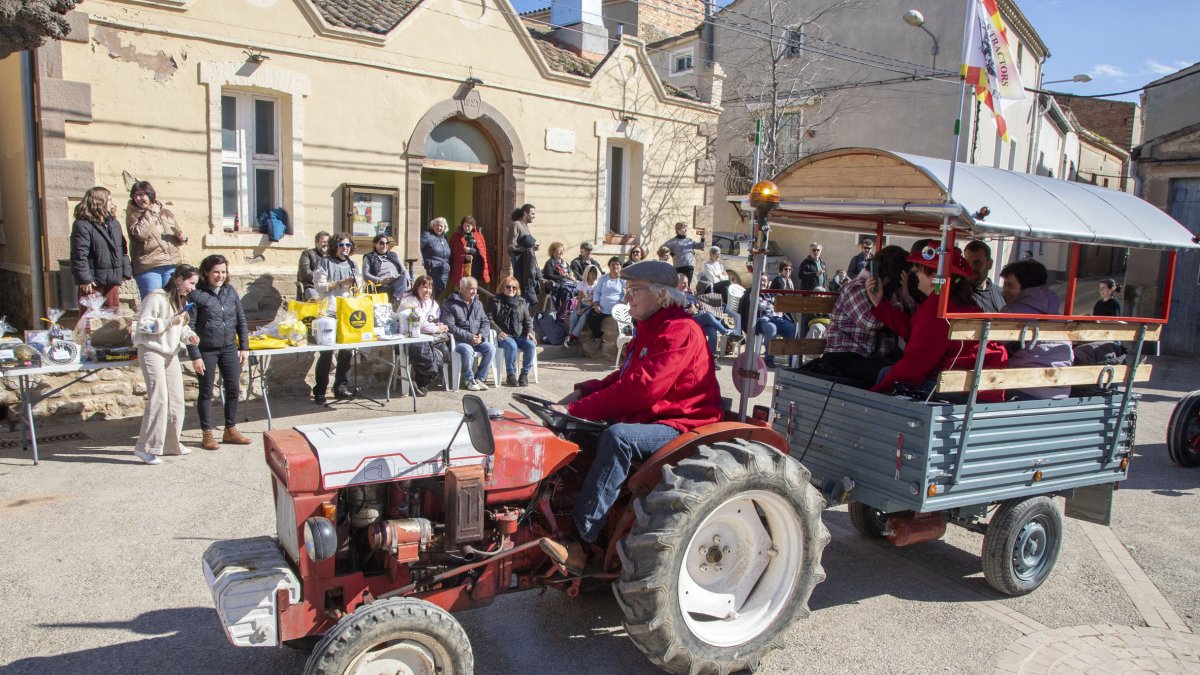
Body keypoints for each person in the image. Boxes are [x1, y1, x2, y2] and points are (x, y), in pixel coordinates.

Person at [540, 260, 722, 570]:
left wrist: (575, 409)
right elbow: (623, 378)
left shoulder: (679, 330)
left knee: (618, 438)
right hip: (653, 416)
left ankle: (581, 543)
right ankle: (550, 514)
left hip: (682, 423)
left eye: (634, 290)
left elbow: (642, 390)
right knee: (578, 430)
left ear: (661, 295)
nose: (627, 298)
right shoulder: (651, 328)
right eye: (627, 290)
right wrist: (583, 392)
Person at [866, 247, 1006, 402]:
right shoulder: (962, 301)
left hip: (958, 391)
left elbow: (914, 364)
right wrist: (880, 304)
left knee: (887, 374)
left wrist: (873, 396)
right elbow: (917, 330)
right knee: (888, 371)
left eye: (918, 271)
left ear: (933, 277)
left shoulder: (940, 308)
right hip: (981, 387)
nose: (915, 275)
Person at [131, 263, 200, 464]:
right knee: (159, 398)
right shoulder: (155, 297)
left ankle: (171, 443)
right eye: (191, 283)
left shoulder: (180, 300)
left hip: (170, 353)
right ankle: (145, 447)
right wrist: (169, 322)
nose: (193, 288)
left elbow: (181, 327)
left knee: (177, 399)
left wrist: (190, 336)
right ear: (178, 279)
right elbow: (144, 325)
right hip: (151, 350)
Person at [187, 254, 251, 450]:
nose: (220, 276)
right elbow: (188, 327)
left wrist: (244, 347)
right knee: (206, 391)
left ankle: (230, 429)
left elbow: (241, 320)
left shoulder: (230, 291)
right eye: (216, 272)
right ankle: (207, 433)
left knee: (233, 389)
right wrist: (195, 355)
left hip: (229, 347)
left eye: (223, 272)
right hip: (206, 349)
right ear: (206, 273)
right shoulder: (195, 294)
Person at [820, 246, 908, 386]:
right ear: (890, 274)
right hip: (845, 355)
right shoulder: (856, 288)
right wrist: (890, 305)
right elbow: (869, 322)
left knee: (907, 371)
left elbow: (905, 324)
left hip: (872, 355)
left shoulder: (887, 292)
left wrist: (906, 297)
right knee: (888, 373)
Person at [999, 259, 1073, 400]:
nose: (1004, 291)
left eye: (1010, 286)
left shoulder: (1011, 312)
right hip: (1062, 389)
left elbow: (993, 346)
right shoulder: (1056, 313)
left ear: (1027, 288)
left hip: (1026, 388)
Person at [312, 233, 360, 404]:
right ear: (334, 246)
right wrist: (339, 283)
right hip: (329, 311)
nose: (344, 248)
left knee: (346, 352)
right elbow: (319, 286)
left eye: (347, 245)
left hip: (347, 312)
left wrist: (355, 284)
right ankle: (320, 390)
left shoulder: (353, 264)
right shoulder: (325, 262)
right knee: (326, 353)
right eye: (341, 245)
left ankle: (341, 387)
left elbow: (359, 285)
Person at [71, 186, 132, 309]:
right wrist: (85, 279)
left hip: (113, 279)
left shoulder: (114, 223)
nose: (112, 203)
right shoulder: (82, 224)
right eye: (109, 200)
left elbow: (122, 248)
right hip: (93, 280)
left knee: (112, 317)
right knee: (89, 318)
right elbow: (79, 254)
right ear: (99, 202)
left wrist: (125, 272)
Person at [126, 181, 186, 298]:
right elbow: (140, 234)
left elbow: (176, 234)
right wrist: (151, 213)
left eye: (141, 194)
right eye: (135, 196)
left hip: (171, 264)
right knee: (153, 303)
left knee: (171, 303)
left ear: (150, 194)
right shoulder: (133, 215)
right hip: (149, 266)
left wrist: (181, 238)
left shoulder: (165, 212)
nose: (138, 198)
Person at [398, 275, 451, 396]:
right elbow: (418, 324)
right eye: (424, 287)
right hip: (411, 339)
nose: (427, 290)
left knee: (444, 351)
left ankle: (422, 382)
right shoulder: (409, 300)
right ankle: (422, 384)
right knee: (425, 353)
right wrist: (437, 328)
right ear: (417, 287)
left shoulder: (433, 304)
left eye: (430, 287)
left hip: (431, 339)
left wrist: (441, 326)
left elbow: (434, 321)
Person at [441, 276, 494, 391]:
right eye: (471, 288)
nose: (474, 291)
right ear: (462, 289)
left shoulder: (478, 304)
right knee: (467, 350)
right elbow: (450, 327)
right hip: (458, 341)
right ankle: (469, 379)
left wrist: (482, 335)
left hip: (476, 339)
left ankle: (480, 378)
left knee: (490, 348)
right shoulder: (450, 304)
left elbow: (485, 321)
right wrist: (470, 337)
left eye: (475, 288)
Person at [738, 273, 797, 366]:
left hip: (774, 318)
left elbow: (778, 304)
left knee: (791, 327)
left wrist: (776, 303)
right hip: (759, 320)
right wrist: (769, 304)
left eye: (765, 280)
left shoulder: (770, 293)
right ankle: (769, 359)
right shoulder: (751, 293)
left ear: (768, 282)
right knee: (771, 327)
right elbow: (756, 306)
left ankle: (792, 360)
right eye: (761, 280)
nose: (763, 283)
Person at [677, 273, 732, 368]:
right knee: (708, 316)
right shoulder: (675, 296)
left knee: (711, 330)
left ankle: (712, 360)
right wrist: (687, 311)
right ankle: (726, 333)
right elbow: (675, 313)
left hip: (696, 318)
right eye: (683, 283)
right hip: (686, 321)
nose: (685, 285)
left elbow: (697, 305)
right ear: (676, 284)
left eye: (686, 283)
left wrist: (698, 307)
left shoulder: (689, 294)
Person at [490, 276, 536, 386]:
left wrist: (529, 331)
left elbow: (527, 319)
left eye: (514, 288)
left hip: (520, 335)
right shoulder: (495, 301)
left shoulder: (521, 302)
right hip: (504, 335)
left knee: (531, 345)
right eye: (508, 287)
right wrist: (498, 331)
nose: (511, 289)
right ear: (502, 288)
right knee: (512, 346)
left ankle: (524, 375)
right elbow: (489, 319)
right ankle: (510, 374)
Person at [586, 257, 626, 339]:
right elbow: (597, 292)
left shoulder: (623, 279)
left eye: (617, 264)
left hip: (618, 309)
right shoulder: (603, 278)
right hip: (602, 309)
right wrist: (596, 304)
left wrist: (622, 303)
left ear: (621, 267)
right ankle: (598, 337)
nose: (615, 266)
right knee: (591, 316)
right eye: (612, 264)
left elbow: (628, 292)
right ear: (609, 266)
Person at [362, 233, 409, 303]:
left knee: (403, 278)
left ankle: (396, 299)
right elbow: (365, 275)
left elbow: (404, 271)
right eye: (381, 243)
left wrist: (409, 281)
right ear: (375, 244)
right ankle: (397, 301)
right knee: (402, 286)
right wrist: (381, 280)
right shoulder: (369, 257)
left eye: (387, 243)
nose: (385, 246)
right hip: (381, 286)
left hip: (397, 283)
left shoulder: (394, 256)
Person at [963, 240, 1005, 313]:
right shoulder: (958, 294)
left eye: (977, 263)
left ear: (990, 264)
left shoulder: (1001, 293)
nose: (971, 267)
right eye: (966, 263)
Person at [449, 215, 491, 289]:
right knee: (462, 289)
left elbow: (483, 253)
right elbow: (453, 254)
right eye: (465, 226)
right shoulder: (456, 236)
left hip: (475, 267)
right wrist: (464, 257)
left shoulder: (479, 236)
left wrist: (471, 251)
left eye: (469, 226)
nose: (467, 228)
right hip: (461, 268)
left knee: (474, 288)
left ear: (473, 226)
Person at [566, 264, 602, 345]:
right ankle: (570, 334)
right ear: (587, 274)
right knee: (573, 316)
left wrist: (584, 310)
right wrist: (578, 308)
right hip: (582, 304)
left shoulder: (597, 285)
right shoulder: (582, 284)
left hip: (591, 307)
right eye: (592, 274)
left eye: (595, 274)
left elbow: (594, 301)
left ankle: (573, 336)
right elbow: (579, 298)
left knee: (583, 317)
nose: (594, 276)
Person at [542, 241, 577, 319]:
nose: (561, 252)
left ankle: (575, 309)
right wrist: (562, 276)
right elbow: (548, 275)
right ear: (553, 252)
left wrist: (572, 276)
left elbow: (571, 272)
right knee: (566, 290)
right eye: (559, 250)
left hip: (569, 282)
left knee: (580, 288)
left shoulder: (564, 263)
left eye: (562, 250)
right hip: (558, 284)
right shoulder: (550, 263)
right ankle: (565, 311)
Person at [509, 204, 538, 292]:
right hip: (519, 263)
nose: (534, 216)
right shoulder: (516, 225)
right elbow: (511, 245)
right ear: (525, 213)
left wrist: (533, 247)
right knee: (520, 287)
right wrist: (525, 249)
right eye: (532, 214)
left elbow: (524, 244)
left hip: (528, 263)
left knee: (528, 288)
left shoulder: (526, 226)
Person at [421, 217, 452, 297]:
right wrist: (425, 263)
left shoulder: (444, 238)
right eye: (437, 225)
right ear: (433, 226)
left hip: (444, 270)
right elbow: (418, 249)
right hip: (432, 269)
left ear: (445, 228)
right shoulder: (427, 235)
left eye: (441, 226)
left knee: (440, 289)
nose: (439, 228)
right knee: (431, 290)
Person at [297, 231, 330, 300]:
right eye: (323, 242)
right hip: (312, 287)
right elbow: (305, 272)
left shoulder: (332, 257)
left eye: (328, 242)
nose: (326, 244)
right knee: (317, 300)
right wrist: (322, 278)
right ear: (316, 243)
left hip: (329, 287)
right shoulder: (307, 254)